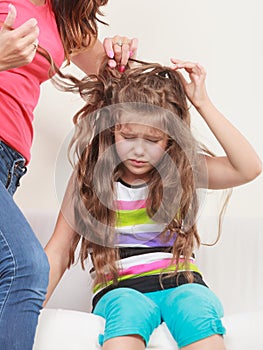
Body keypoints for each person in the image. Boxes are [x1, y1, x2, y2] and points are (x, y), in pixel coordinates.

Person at [44, 57, 262, 350]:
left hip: (182, 285)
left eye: (153, 139)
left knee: (197, 308)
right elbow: (57, 253)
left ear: (170, 140)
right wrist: (19, 312)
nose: (138, 149)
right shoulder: (90, 176)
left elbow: (248, 168)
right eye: (128, 135)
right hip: (120, 290)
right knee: (127, 313)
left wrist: (203, 103)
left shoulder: (182, 169)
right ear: (112, 129)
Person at [0, 1, 138, 349]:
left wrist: (120, 55)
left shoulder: (64, 16)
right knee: (25, 266)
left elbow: (117, 80)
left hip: (9, 164)